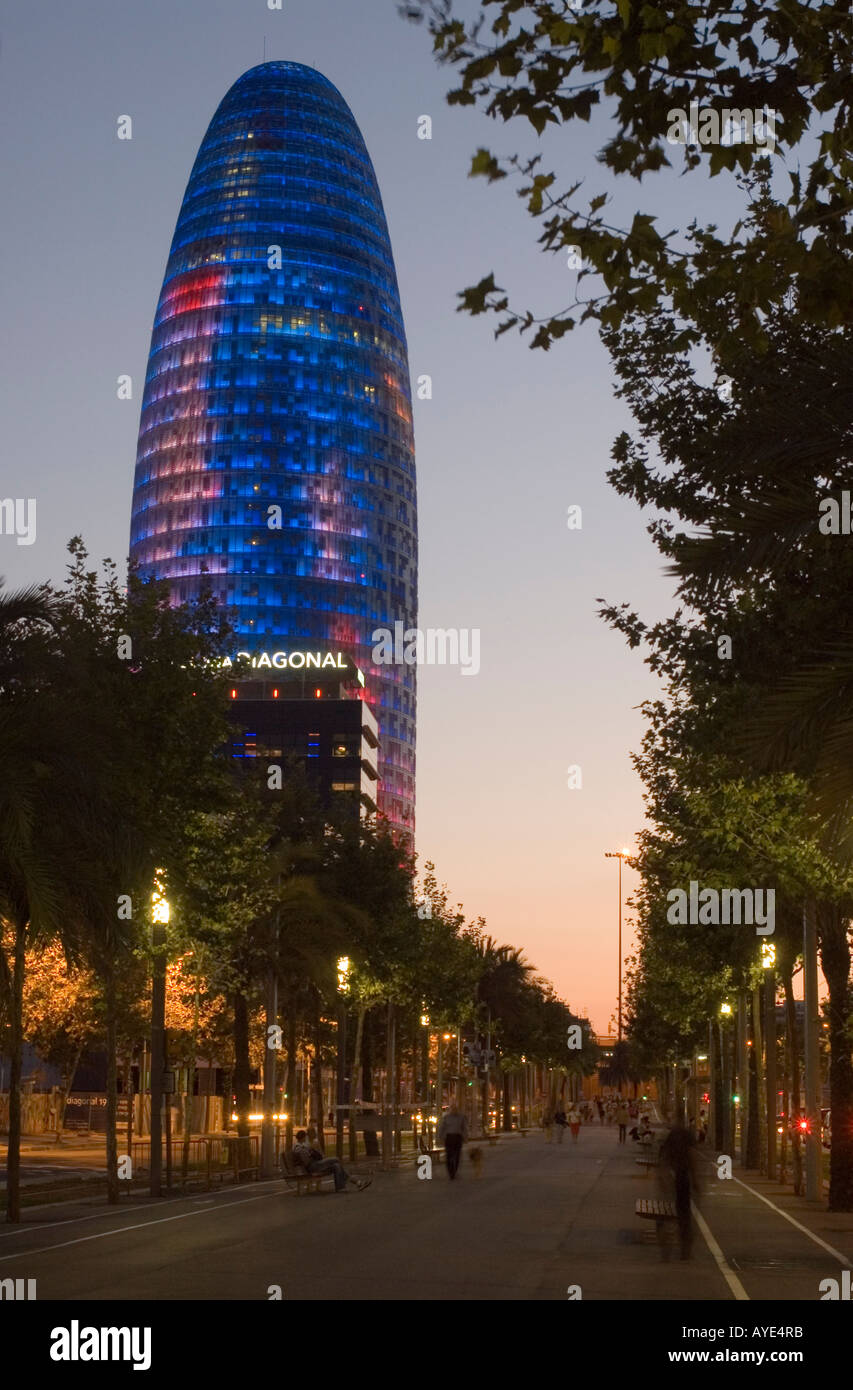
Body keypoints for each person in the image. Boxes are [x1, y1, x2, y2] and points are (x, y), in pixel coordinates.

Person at [659, 1113, 700, 1259]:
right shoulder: (687, 1135)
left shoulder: (672, 1136)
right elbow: (692, 1156)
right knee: (683, 1212)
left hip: (672, 1176)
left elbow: (664, 1156)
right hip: (683, 1177)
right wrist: (695, 1179)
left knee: (667, 1211)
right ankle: (685, 1247)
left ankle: (668, 1244)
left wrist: (663, 1177)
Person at [291, 1130, 371, 1193]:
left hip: (315, 1164)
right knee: (336, 1159)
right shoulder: (298, 1147)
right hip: (313, 1166)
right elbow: (306, 1160)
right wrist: (311, 1152)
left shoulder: (303, 1146)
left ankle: (356, 1183)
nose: (306, 1139)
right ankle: (354, 1183)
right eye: (305, 1137)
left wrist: (311, 1151)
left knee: (337, 1166)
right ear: (302, 1137)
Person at [437, 1101, 468, 1178]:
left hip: (458, 1137)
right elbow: (442, 1127)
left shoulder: (461, 1117)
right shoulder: (446, 1117)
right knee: (449, 1155)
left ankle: (455, 1170)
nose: (454, 1109)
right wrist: (440, 1137)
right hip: (449, 1138)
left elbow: (464, 1128)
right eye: (452, 1108)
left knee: (457, 1155)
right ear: (450, 1109)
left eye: (455, 1108)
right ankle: (451, 1172)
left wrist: (465, 1136)